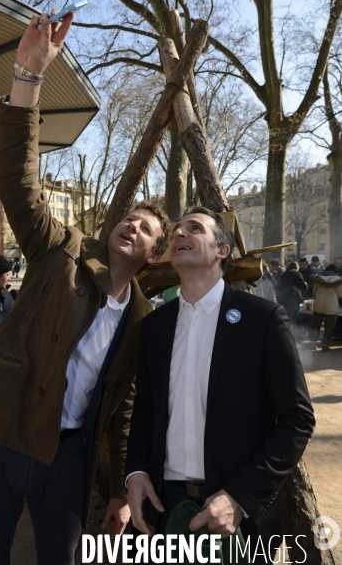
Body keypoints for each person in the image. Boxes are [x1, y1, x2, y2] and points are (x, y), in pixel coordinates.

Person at [0, 11, 171, 565]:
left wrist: (117, 489)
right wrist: (28, 76)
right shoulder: (61, 247)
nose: (132, 225)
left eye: (147, 228)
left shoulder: (143, 319)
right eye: (129, 218)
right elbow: (17, 185)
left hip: (67, 458)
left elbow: (123, 410)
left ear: (153, 256)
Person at [126, 206, 314, 564]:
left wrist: (240, 497)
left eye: (194, 228)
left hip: (236, 519)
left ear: (221, 251)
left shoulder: (262, 319)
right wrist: (135, 472)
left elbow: (297, 419)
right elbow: (146, 408)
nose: (179, 234)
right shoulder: (154, 327)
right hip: (165, 508)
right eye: (177, 230)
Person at [311, 264, 342, 351]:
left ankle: (313, 344)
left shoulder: (318, 278)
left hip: (319, 303)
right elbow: (340, 294)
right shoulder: (338, 280)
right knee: (329, 326)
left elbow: (314, 291)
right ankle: (325, 345)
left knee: (316, 324)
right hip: (331, 305)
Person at [276, 261, 307, 341]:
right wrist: (306, 284)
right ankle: (296, 340)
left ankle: (285, 338)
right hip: (293, 300)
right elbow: (304, 286)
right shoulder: (296, 273)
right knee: (294, 320)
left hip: (283, 300)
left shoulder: (284, 274)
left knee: (285, 319)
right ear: (297, 267)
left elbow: (279, 287)